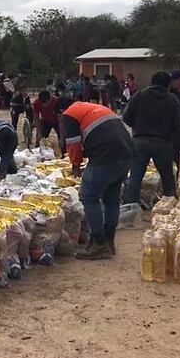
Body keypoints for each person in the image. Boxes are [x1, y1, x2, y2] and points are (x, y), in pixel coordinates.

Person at [57, 98, 135, 260]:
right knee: (111, 197)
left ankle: (99, 243)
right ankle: (108, 241)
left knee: (88, 196)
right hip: (127, 152)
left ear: (60, 112)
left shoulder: (68, 115)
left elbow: (73, 144)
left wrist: (76, 164)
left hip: (106, 154)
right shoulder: (93, 108)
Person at [122, 72, 180, 207]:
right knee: (167, 175)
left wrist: (137, 126)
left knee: (136, 175)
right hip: (163, 142)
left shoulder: (139, 95)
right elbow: (178, 124)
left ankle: (131, 206)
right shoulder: (172, 99)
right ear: (168, 85)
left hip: (140, 140)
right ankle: (169, 205)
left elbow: (126, 116)